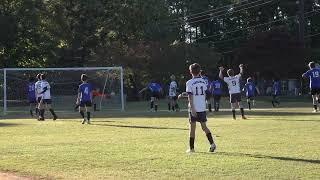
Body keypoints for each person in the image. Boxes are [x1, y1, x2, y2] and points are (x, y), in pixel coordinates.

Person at [186, 63, 216, 153]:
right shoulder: (203, 81)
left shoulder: (189, 82)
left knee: (192, 128)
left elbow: (190, 96)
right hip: (202, 108)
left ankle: (191, 148)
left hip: (194, 108)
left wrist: (192, 108)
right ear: (199, 71)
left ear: (190, 72)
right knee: (204, 127)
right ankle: (212, 144)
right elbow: (206, 93)